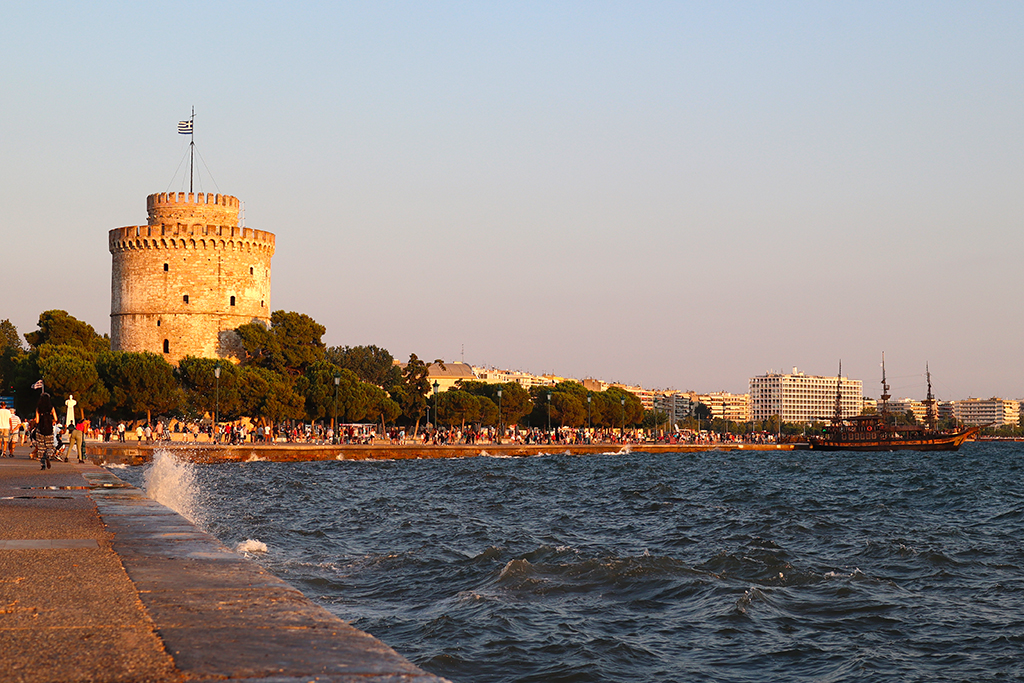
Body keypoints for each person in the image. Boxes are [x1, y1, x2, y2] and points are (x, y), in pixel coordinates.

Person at [34, 393, 58, 469]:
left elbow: (37, 421)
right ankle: (48, 455)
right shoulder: (51, 408)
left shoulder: (38, 408)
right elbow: (56, 419)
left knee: (41, 447)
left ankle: (42, 464)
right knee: (49, 446)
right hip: (49, 430)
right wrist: (51, 421)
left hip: (40, 429)